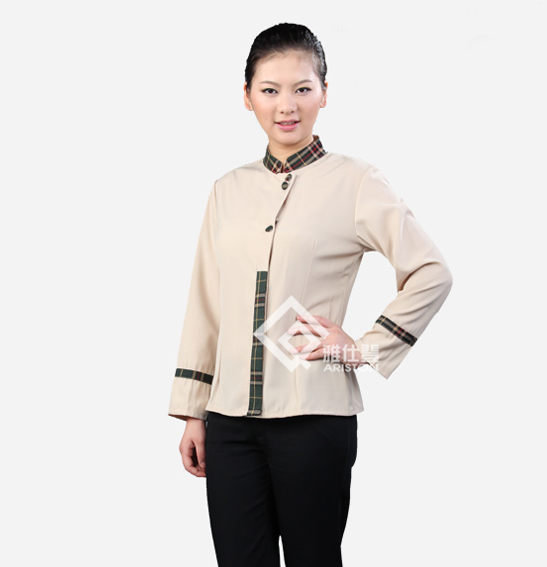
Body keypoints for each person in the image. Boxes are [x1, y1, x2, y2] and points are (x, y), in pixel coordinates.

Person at [168, 23, 453, 567]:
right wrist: (192, 412)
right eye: (269, 90)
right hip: (229, 423)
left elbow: (431, 271)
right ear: (247, 96)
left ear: (324, 93)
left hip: (314, 418)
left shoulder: (357, 181)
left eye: (302, 88)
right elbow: (205, 303)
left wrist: (362, 348)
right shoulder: (227, 190)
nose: (286, 105)